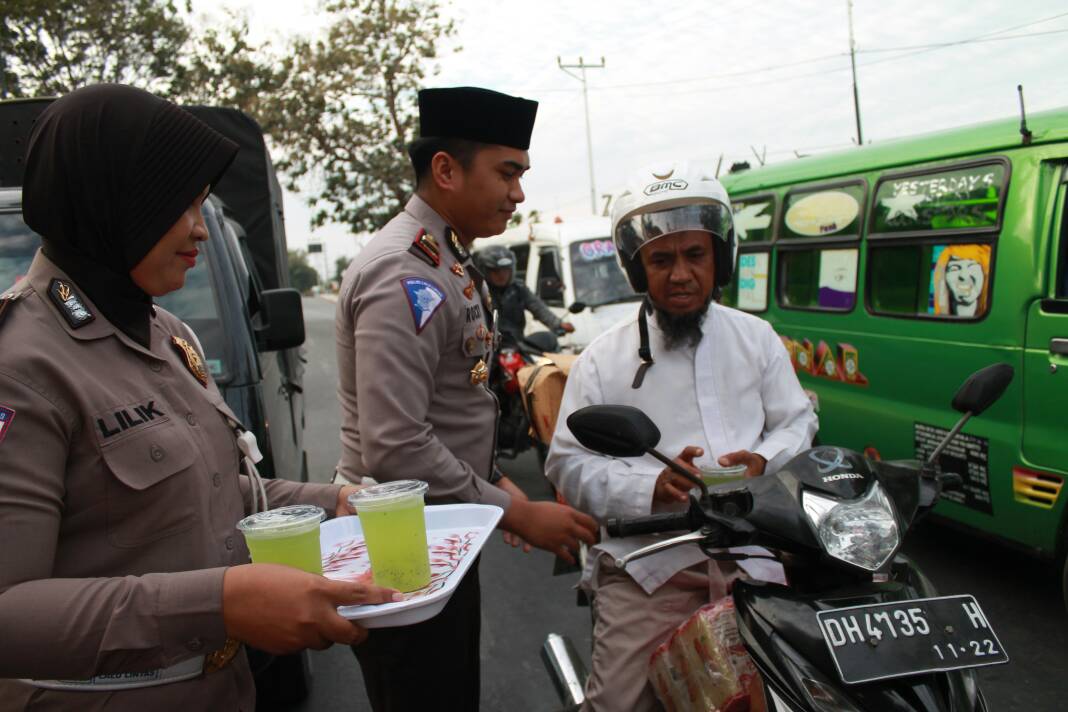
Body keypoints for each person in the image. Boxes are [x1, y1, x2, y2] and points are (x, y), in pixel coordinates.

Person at [0, 84, 398, 711]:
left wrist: (338, 502)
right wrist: (219, 603)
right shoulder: (21, 363)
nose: (198, 230)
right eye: (177, 205)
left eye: (201, 204)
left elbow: (205, 495)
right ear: (112, 203)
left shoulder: (166, 333)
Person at [334, 86, 598, 712]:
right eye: (507, 172)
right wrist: (516, 513)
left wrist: (500, 493)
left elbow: (453, 413)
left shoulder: (446, 257)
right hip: (402, 545)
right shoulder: (404, 271)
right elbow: (396, 445)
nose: (518, 193)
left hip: (437, 528)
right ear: (446, 170)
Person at [544, 160, 818, 711]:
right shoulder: (604, 359)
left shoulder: (757, 338)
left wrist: (764, 460)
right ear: (639, 271)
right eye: (662, 260)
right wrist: (650, 487)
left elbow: (798, 422)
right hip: (652, 564)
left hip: (753, 555)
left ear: (720, 258)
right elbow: (567, 464)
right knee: (619, 704)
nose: (681, 274)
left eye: (695, 255)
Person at [474, 244, 574, 344]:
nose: (502, 275)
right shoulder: (478, 291)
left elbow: (538, 307)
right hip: (487, 345)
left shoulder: (518, 288)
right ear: (485, 271)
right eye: (496, 271)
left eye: (505, 270)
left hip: (516, 344)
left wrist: (558, 324)